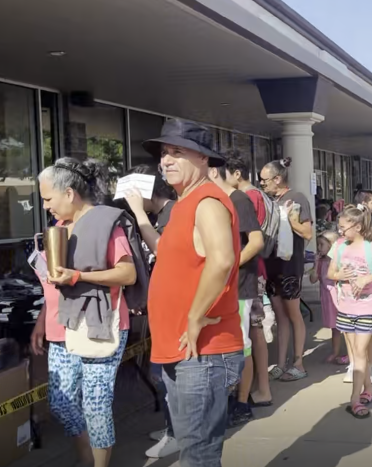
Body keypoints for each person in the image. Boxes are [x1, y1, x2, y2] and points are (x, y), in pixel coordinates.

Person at [143, 119, 244, 467]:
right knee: (193, 449)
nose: (166, 160)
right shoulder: (185, 203)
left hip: (204, 352)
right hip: (184, 350)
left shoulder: (206, 201)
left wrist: (195, 316)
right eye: (164, 154)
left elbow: (222, 260)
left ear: (203, 159)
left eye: (176, 152)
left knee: (198, 455)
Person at [32, 158, 137, 467]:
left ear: (69, 193)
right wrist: (41, 322)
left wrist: (79, 277)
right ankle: (86, 457)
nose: (46, 206)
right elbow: (53, 285)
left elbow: (127, 274)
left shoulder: (106, 223)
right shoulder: (59, 228)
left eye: (48, 198)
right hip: (61, 325)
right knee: (60, 401)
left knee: (95, 405)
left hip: (100, 323)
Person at [121, 165, 179, 459]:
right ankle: (173, 427)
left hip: (175, 308)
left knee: (167, 373)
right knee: (163, 372)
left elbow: (164, 251)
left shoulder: (173, 214)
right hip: (161, 304)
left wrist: (138, 214)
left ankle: (176, 432)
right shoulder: (161, 216)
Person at [208, 159, 264, 427]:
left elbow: (256, 241)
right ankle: (233, 399)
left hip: (240, 286)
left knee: (242, 345)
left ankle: (242, 402)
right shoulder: (213, 201)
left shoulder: (238, 198)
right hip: (222, 285)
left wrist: (231, 265)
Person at [328, 206, 372, 418]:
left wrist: (367, 278)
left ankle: (354, 399)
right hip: (345, 305)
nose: (340, 232)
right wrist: (340, 274)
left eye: (344, 228)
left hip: (366, 306)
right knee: (357, 353)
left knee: (359, 352)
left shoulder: (370, 248)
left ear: (357, 227)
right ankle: (369, 390)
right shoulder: (338, 247)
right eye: (339, 228)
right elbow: (330, 273)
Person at [224, 154, 274, 407]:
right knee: (252, 335)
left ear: (235, 173)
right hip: (251, 274)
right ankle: (257, 388)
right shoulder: (248, 196)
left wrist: (229, 266)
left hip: (247, 277)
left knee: (251, 336)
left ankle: (257, 391)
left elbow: (255, 241)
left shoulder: (244, 197)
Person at [260, 157, 313, 382]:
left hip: (290, 265)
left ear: (278, 178)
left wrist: (290, 221)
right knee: (280, 315)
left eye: (265, 180)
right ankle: (281, 363)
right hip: (271, 264)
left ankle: (298, 362)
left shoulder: (296, 198)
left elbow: (308, 233)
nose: (262, 184)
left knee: (293, 315)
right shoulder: (269, 200)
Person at [309, 231, 346, 365]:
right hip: (327, 298)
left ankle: (351, 353)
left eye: (321, 244)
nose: (319, 247)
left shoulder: (337, 261)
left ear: (332, 246)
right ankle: (335, 352)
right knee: (334, 327)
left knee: (346, 326)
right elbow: (313, 279)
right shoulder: (320, 261)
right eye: (318, 244)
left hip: (338, 296)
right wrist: (315, 263)